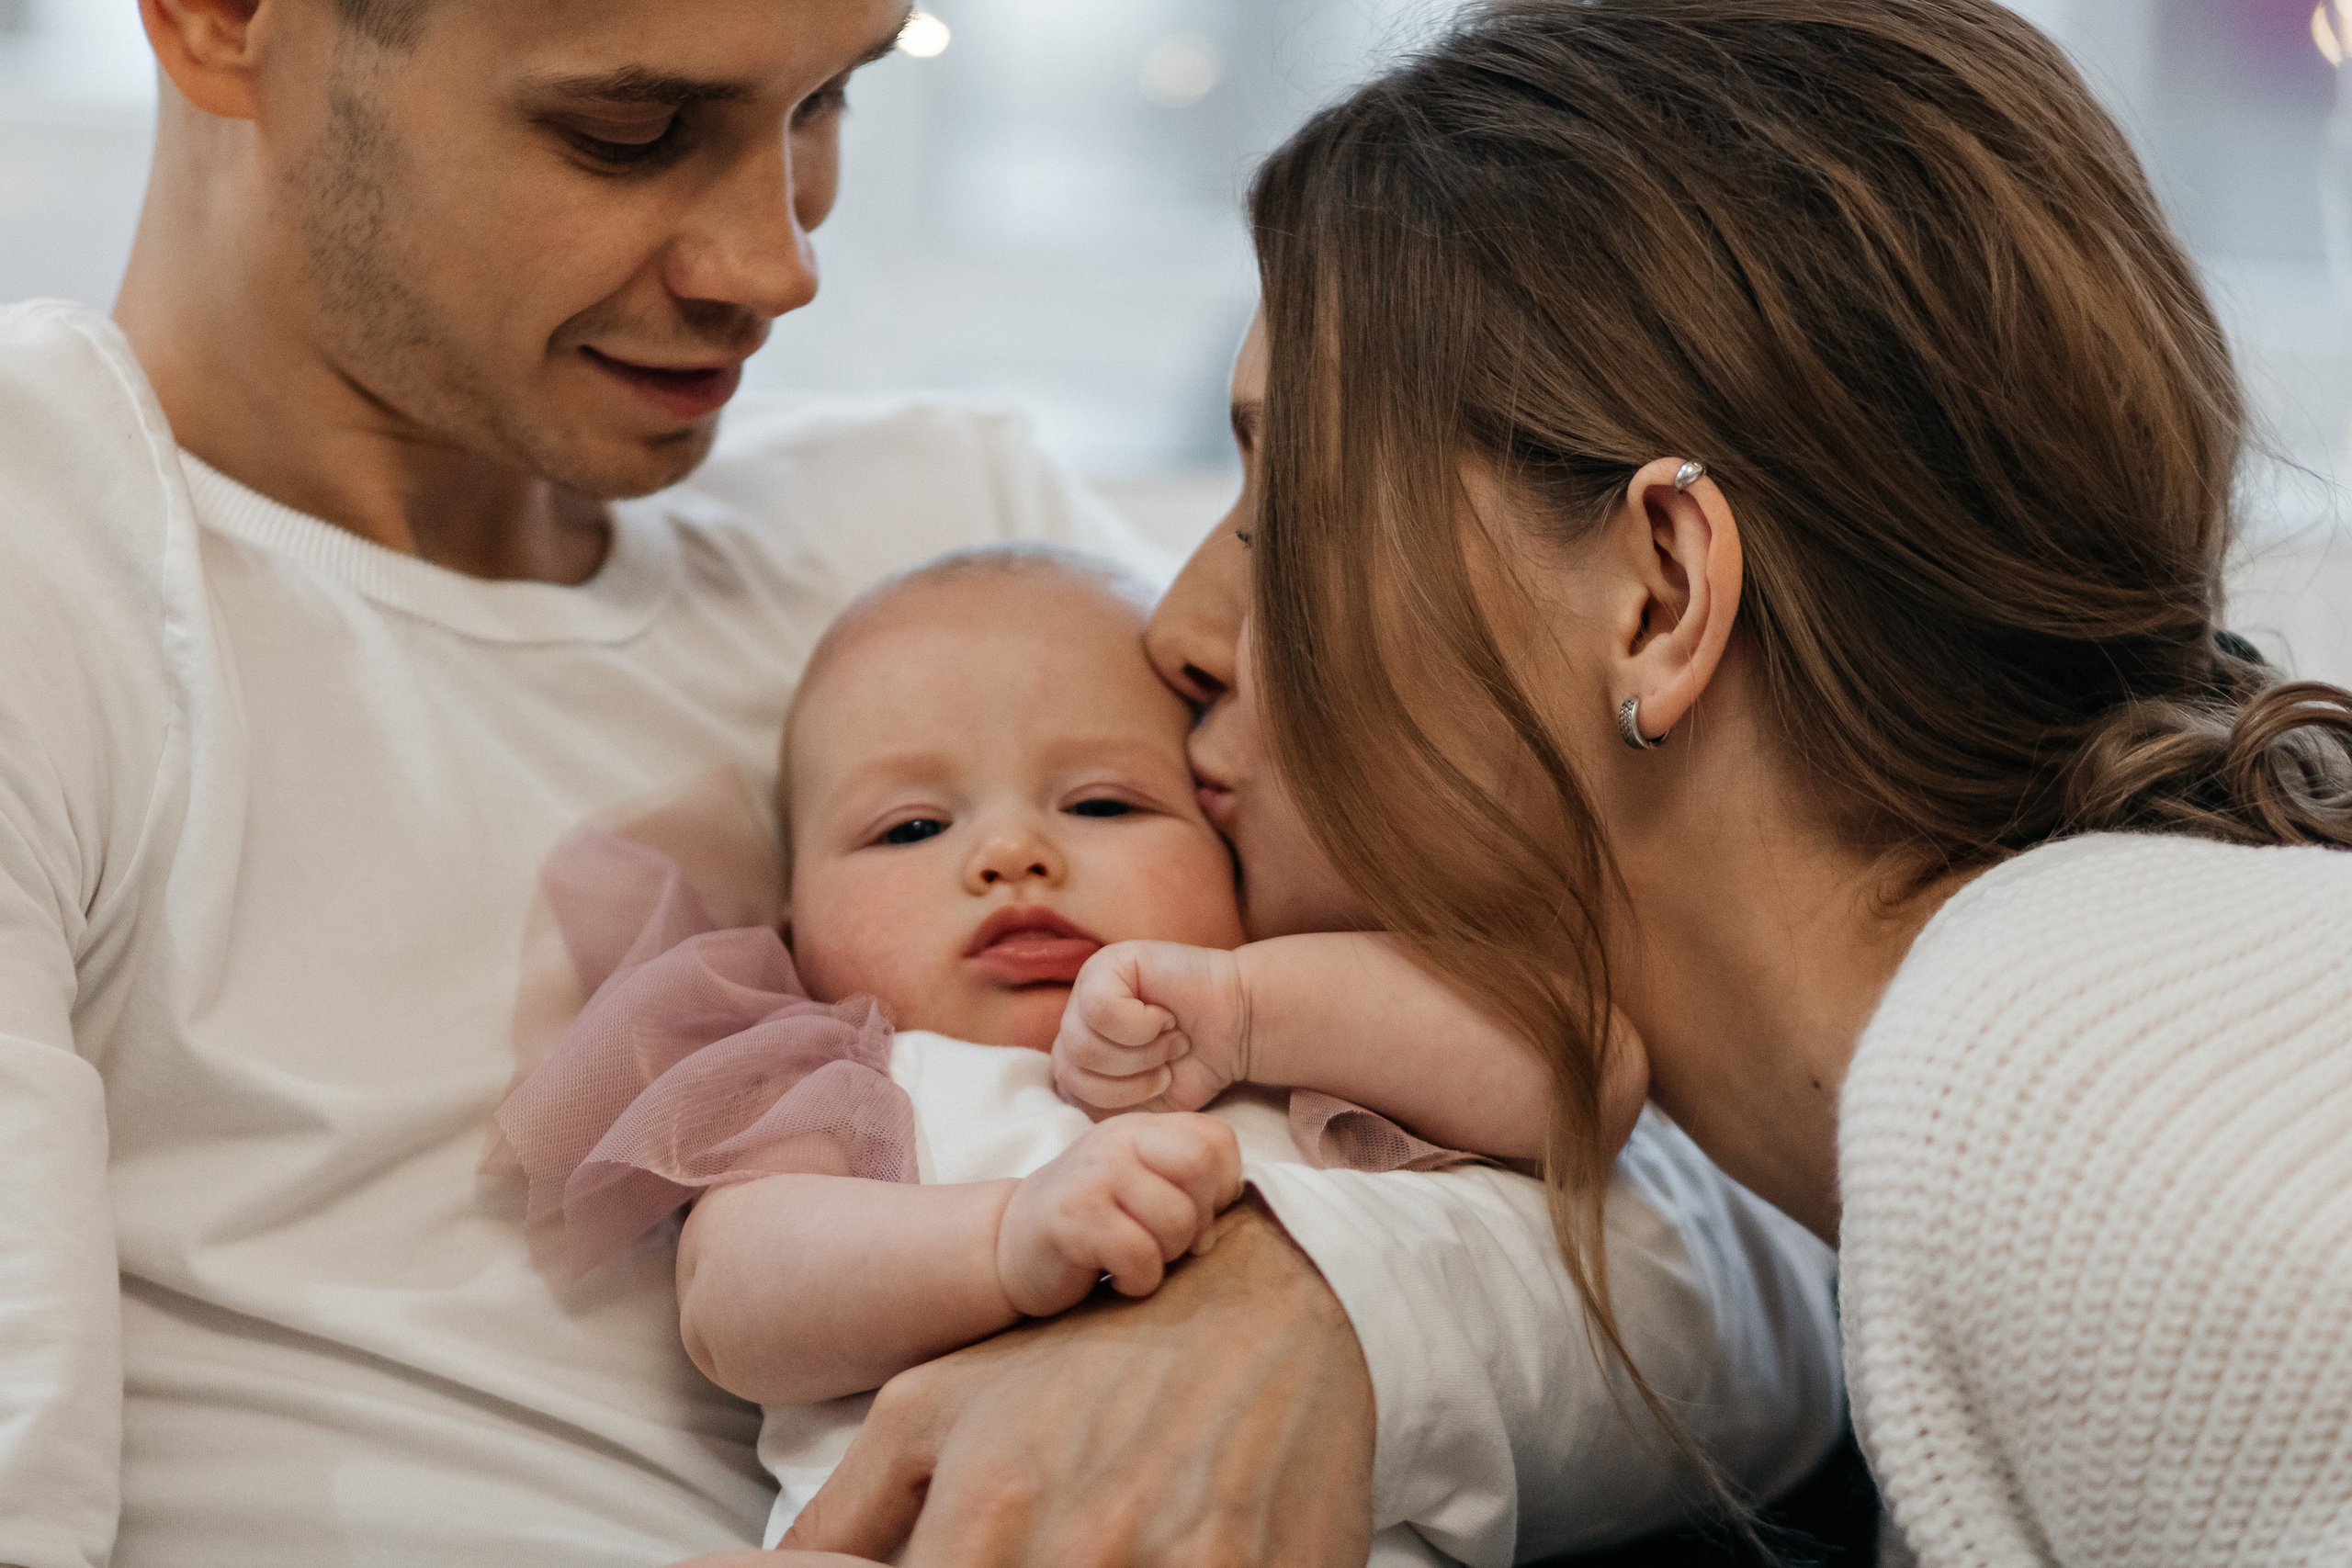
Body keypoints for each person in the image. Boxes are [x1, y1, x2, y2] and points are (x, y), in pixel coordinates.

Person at [0, 0, 1847, 1565]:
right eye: (632, 128)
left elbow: (1771, 1214)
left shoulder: (963, 562)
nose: (780, 261)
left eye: (833, 99)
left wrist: (1329, 1317)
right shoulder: (53, 557)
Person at [1182, 1, 2352, 1562]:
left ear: (1658, 596)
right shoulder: (2014, 1074)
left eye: (1289, 506)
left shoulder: (2103, 1097)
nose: (1179, 622)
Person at [493, 547, 1584, 1565]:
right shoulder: (853, 1078)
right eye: (910, 830)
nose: (1012, 854)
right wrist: (1006, 1237)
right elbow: (733, 1304)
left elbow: (1578, 1083)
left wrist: (1252, 1009)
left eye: (1104, 803)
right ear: (793, 915)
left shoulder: (1295, 1028)